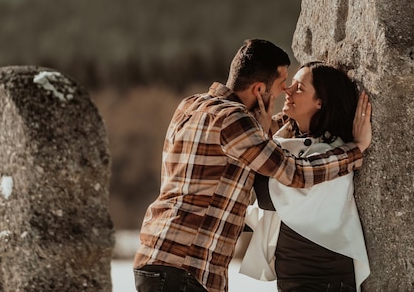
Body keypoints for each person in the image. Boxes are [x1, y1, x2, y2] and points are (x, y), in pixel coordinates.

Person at [133, 39, 372, 292]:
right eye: (282, 85)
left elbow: (268, 138)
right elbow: (293, 172)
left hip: (157, 256)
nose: (285, 91)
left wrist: (294, 122)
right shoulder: (234, 120)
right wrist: (355, 150)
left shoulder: (191, 105)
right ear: (259, 90)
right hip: (187, 265)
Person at [240, 61, 371, 292]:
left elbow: (270, 193)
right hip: (294, 277)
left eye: (299, 88)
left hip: (324, 280)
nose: (288, 91)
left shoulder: (333, 153)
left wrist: (358, 146)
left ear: (320, 102)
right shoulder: (292, 145)